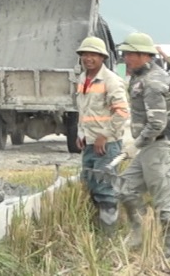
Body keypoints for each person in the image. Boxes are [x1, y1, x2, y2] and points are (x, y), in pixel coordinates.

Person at [116, 32, 170, 260]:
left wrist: (135, 145)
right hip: (150, 146)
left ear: (144, 56)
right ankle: (141, 232)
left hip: (160, 147)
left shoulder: (154, 81)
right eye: (124, 54)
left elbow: (157, 123)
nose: (125, 58)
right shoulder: (140, 77)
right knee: (125, 188)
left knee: (165, 203)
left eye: (129, 54)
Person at [73, 36, 129, 235]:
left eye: (93, 55)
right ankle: (96, 232)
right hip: (89, 143)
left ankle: (108, 238)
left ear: (102, 57)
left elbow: (122, 111)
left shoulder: (111, 80)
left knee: (105, 191)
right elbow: (84, 111)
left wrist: (104, 135)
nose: (88, 58)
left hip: (106, 145)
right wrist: (81, 134)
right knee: (90, 185)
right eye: (84, 55)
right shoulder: (82, 79)